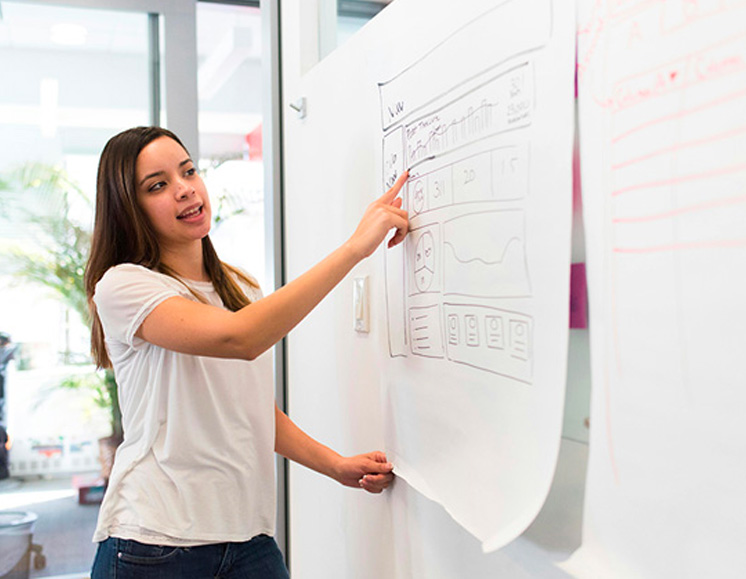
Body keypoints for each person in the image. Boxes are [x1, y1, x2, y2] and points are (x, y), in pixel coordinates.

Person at [85, 126, 409, 578]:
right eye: (157, 185)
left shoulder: (239, 289)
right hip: (155, 542)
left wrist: (335, 465)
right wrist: (355, 249)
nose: (184, 190)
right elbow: (240, 338)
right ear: (129, 208)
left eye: (188, 171)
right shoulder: (125, 285)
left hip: (248, 539)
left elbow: (250, 411)